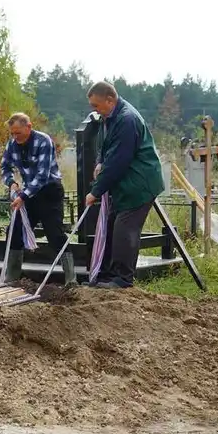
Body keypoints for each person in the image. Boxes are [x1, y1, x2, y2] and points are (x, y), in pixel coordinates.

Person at [84, 81, 165, 288]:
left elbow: (118, 161)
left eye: (96, 105)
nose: (95, 110)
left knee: (125, 229)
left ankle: (122, 279)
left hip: (139, 183)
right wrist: (99, 162)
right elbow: (105, 146)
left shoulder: (127, 119)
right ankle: (106, 275)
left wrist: (96, 191)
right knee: (111, 226)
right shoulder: (110, 117)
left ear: (110, 100)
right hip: (126, 184)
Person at [0, 113, 77, 287]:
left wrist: (22, 196)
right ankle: (12, 277)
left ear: (29, 127)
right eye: (12, 133)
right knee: (15, 230)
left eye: (18, 133)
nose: (15, 137)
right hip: (29, 193)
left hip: (49, 191)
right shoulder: (12, 144)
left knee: (54, 233)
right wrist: (11, 182)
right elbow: (4, 167)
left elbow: (42, 176)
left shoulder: (43, 141)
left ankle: (71, 279)